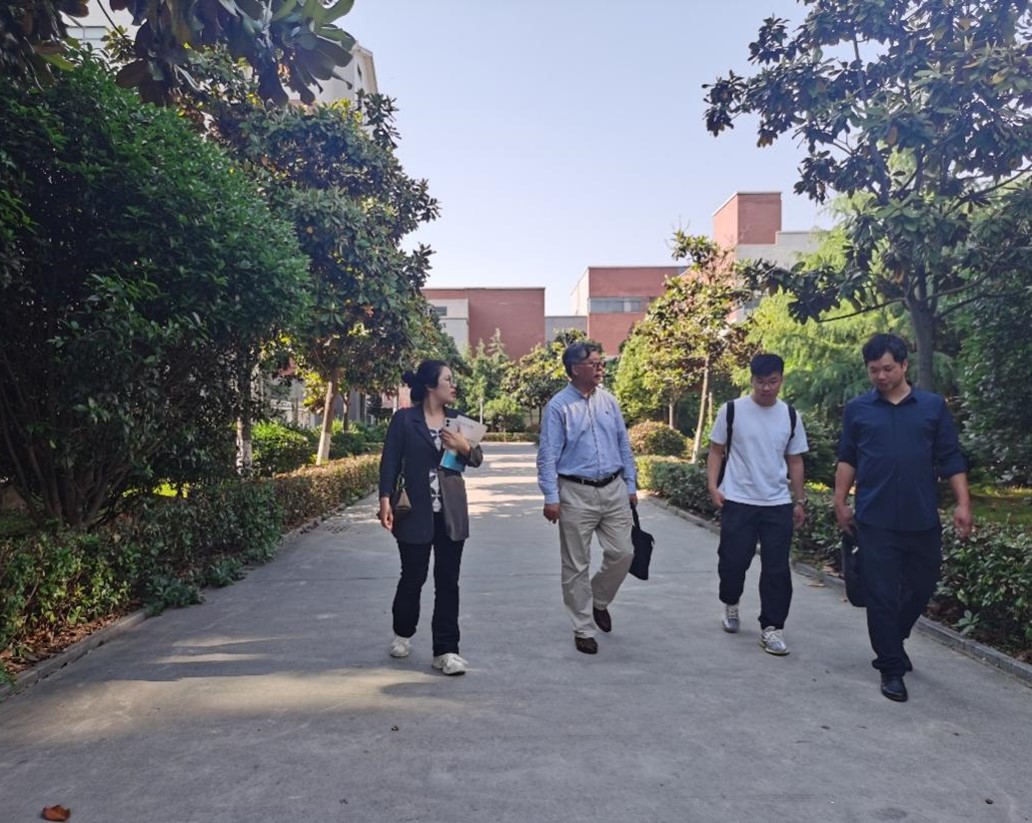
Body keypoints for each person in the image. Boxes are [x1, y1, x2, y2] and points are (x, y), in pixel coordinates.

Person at [834, 333, 973, 703]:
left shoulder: (932, 407)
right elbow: (848, 457)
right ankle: (891, 667)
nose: (881, 376)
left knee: (923, 584)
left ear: (904, 365)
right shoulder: (858, 409)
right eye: (873, 370)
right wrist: (840, 501)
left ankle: (894, 638)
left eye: (887, 369)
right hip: (875, 518)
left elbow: (951, 457)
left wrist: (963, 504)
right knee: (880, 594)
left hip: (921, 516)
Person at [378, 360, 483, 676]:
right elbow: (390, 461)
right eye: (448, 379)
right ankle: (403, 631)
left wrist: (463, 446)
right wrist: (385, 499)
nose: (453, 385)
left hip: (451, 513)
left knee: (448, 582)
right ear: (429, 386)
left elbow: (476, 458)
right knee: (413, 577)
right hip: (414, 512)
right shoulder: (404, 419)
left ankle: (446, 651)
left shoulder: (458, 421)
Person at [536, 341, 637, 655]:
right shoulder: (558, 407)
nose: (600, 368)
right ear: (575, 368)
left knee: (623, 553)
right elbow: (548, 455)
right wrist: (551, 496)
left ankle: (598, 600)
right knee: (576, 564)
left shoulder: (609, 401)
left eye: (601, 362)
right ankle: (583, 628)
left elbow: (623, 444)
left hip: (614, 488)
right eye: (594, 363)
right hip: (575, 492)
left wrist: (631, 485)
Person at [707, 353, 809, 656]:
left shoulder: (790, 415)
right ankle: (731, 602)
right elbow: (716, 450)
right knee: (733, 562)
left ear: (781, 380)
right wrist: (713, 486)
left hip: (777, 503)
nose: (766, 388)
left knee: (777, 569)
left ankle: (772, 628)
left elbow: (795, 460)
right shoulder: (732, 411)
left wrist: (800, 500)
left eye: (772, 381)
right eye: (761, 381)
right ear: (751, 380)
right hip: (739, 500)